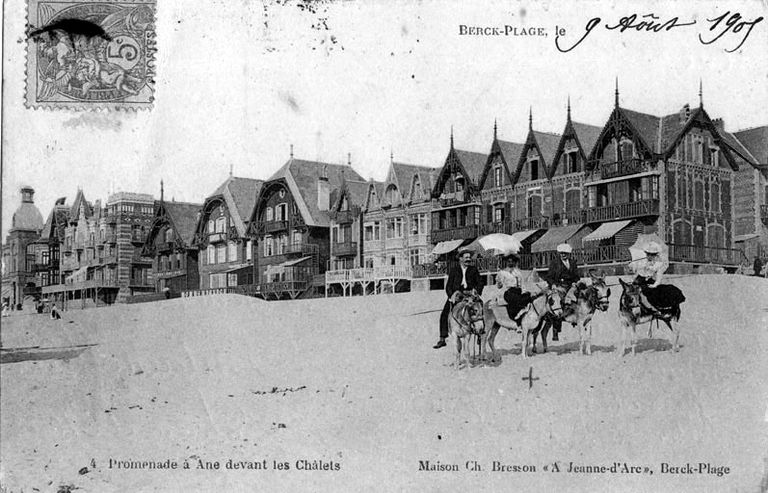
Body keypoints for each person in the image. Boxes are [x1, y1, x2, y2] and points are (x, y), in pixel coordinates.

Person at [434, 248, 484, 349]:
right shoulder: (454, 270)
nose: (468, 259)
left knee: (480, 307)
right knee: (444, 314)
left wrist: (476, 291)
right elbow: (448, 286)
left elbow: (480, 283)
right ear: (460, 259)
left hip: (470, 295)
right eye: (466, 258)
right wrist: (452, 296)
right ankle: (442, 338)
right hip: (457, 296)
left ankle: (480, 333)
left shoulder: (474, 270)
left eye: (469, 258)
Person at [543, 243, 580, 341]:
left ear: (569, 254)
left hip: (570, 286)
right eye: (561, 253)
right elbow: (549, 277)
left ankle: (577, 318)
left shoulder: (572, 262)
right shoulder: (555, 263)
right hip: (559, 286)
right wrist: (553, 284)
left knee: (581, 297)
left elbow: (576, 276)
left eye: (565, 253)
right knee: (558, 302)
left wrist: (575, 282)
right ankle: (556, 328)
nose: (563, 255)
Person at [632, 242, 667, 315]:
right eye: (648, 254)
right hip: (639, 279)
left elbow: (659, 277)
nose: (650, 256)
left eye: (652, 255)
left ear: (656, 255)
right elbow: (636, 271)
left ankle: (651, 309)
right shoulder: (642, 261)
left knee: (646, 293)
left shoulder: (659, 264)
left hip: (649, 282)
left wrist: (655, 285)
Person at [496, 255, 532, 322]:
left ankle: (523, 312)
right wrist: (499, 282)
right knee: (515, 299)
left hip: (518, 291)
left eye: (512, 261)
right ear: (506, 262)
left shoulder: (517, 272)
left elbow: (522, 284)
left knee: (529, 297)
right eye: (509, 261)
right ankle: (517, 318)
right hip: (509, 292)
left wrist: (524, 291)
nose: (510, 263)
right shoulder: (503, 272)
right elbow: (499, 286)